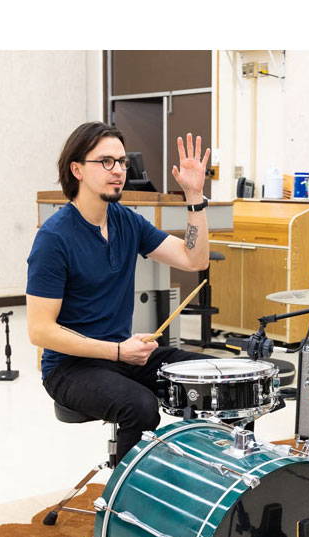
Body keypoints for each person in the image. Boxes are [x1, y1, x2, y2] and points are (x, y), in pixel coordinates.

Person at [26, 122, 214, 462]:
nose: (119, 171)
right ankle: (125, 506)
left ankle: (200, 486)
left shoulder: (127, 222)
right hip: (69, 369)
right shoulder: (54, 238)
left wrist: (194, 196)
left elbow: (194, 258)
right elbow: (40, 331)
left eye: (123, 162)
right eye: (106, 162)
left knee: (211, 378)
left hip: (121, 355)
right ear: (77, 169)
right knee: (140, 407)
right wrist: (117, 351)